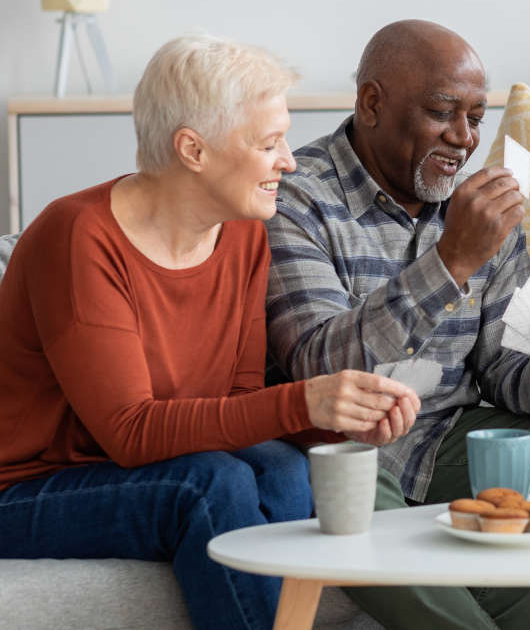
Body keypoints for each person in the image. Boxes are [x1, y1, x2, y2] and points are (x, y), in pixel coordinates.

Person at [0, 34, 419, 630]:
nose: (290, 161)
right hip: (26, 486)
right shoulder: (78, 238)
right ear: (193, 149)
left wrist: (336, 419)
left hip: (138, 466)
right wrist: (303, 397)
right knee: (208, 484)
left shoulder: (242, 232)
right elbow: (130, 432)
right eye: (269, 143)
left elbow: (239, 406)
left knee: (283, 468)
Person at [265, 19, 530, 630]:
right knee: (337, 482)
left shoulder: (479, 204)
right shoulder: (296, 198)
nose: (463, 138)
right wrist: (451, 261)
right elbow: (320, 365)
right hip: (346, 446)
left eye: (477, 118)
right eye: (442, 112)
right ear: (372, 103)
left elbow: (502, 366)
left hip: (447, 438)